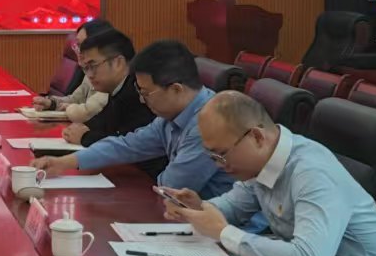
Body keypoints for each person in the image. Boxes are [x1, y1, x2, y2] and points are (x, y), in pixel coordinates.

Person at [162, 91, 376, 256]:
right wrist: (199, 209)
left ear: (257, 137)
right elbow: (232, 208)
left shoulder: (312, 173)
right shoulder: (262, 165)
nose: (218, 165)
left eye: (221, 154)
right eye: (212, 156)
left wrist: (224, 232)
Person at [35, 39, 234, 197]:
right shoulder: (170, 116)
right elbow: (127, 146)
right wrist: (65, 162)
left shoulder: (208, 123)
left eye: (146, 93)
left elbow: (172, 185)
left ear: (176, 89)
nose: (141, 99)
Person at [61, 26, 154, 154]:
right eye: (86, 68)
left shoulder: (139, 90)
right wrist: (79, 129)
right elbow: (101, 124)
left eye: (93, 66)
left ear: (118, 63)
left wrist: (86, 137)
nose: (89, 75)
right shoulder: (116, 88)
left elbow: (130, 144)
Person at [34, 17, 114, 123]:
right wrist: (51, 103)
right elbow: (75, 99)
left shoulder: (111, 74)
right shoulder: (90, 71)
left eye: (83, 46)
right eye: (77, 45)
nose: (78, 51)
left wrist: (70, 108)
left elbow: (88, 111)